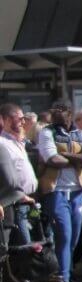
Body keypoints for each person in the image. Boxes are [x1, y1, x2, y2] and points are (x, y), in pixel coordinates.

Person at [37, 103, 82, 282]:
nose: (56, 116)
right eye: (54, 112)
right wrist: (77, 158)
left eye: (60, 113)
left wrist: (65, 155)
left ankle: (65, 274)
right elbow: (51, 159)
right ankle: (63, 281)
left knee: (74, 239)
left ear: (69, 115)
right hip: (55, 191)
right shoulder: (47, 133)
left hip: (77, 192)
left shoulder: (81, 135)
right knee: (64, 234)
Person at [0, 104, 38, 246]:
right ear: (8, 120)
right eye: (20, 119)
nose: (23, 122)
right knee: (25, 247)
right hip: (16, 201)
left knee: (37, 244)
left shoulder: (17, 142)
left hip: (30, 200)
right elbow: (7, 177)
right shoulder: (3, 143)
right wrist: (21, 196)